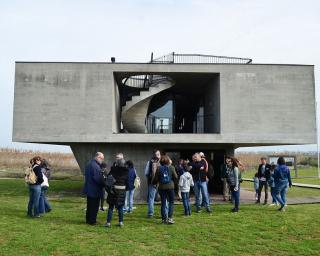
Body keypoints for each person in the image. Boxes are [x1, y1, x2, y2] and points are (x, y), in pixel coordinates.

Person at [152, 155, 178, 224]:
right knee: (171, 202)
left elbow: (155, 179)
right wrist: (174, 183)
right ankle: (170, 218)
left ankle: (164, 219)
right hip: (170, 187)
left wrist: (154, 183)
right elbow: (176, 177)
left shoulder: (159, 168)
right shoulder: (172, 167)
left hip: (162, 188)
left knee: (163, 203)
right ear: (168, 161)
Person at [105, 158, 129, 228]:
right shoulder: (126, 171)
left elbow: (108, 178)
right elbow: (128, 182)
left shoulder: (113, 170)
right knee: (120, 207)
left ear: (117, 164)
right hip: (122, 191)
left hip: (113, 191)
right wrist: (125, 189)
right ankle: (121, 222)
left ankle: (108, 223)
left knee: (111, 207)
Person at [83, 152, 105, 225]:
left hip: (89, 188)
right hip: (95, 189)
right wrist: (104, 182)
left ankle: (88, 220)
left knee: (89, 205)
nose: (102, 160)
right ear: (98, 157)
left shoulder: (89, 164)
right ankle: (92, 221)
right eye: (102, 158)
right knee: (94, 206)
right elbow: (97, 179)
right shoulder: (95, 166)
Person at [145, 149, 161, 218]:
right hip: (161, 182)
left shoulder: (149, 162)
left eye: (158, 154)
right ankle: (165, 213)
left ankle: (151, 213)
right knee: (164, 198)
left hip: (153, 182)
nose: (157, 156)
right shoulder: (164, 162)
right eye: (157, 154)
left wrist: (150, 179)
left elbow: (146, 173)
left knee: (151, 198)